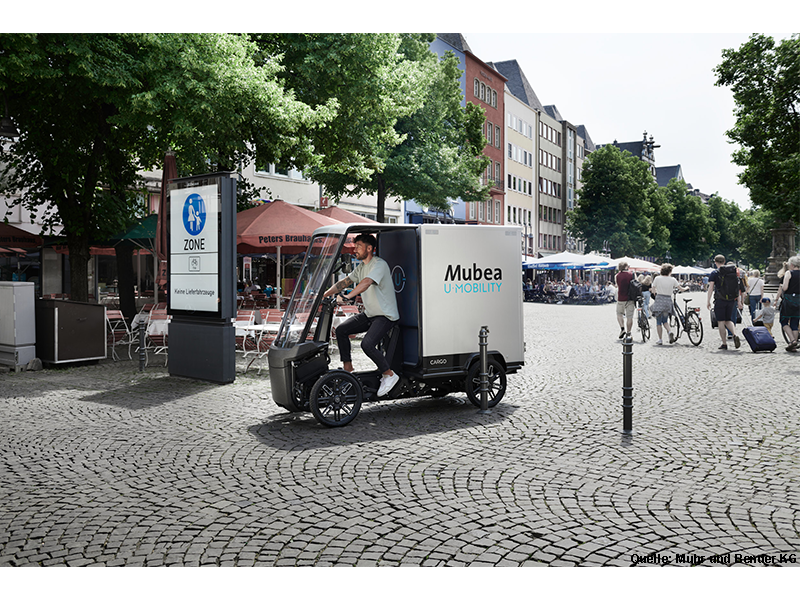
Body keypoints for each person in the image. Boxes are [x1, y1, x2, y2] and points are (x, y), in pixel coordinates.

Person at [323, 233, 400, 396]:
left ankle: (389, 375)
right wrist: (322, 295)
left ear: (369, 248)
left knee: (367, 344)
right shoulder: (361, 267)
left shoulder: (378, 264)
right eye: (355, 245)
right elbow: (344, 282)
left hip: (385, 315)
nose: (354, 249)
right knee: (341, 330)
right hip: (371, 314)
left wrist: (348, 296)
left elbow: (366, 283)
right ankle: (348, 369)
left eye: (358, 246)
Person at [706, 254, 744, 350]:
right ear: (724, 262)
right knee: (728, 320)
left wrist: (708, 301)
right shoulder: (732, 272)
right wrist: (739, 301)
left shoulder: (715, 273)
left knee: (721, 321)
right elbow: (737, 287)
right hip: (731, 299)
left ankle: (724, 343)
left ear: (715, 262)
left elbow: (711, 288)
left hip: (720, 299)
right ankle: (734, 334)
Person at [651, 263, 687, 345]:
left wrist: (656, 293)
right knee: (665, 320)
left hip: (659, 299)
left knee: (658, 322)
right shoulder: (672, 279)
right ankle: (669, 331)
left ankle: (660, 339)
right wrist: (686, 288)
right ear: (670, 271)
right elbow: (681, 289)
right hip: (667, 300)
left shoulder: (657, 278)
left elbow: (653, 290)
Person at [775, 254, 800, 352]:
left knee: (784, 321)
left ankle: (792, 341)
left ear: (792, 265)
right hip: (799, 301)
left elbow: (784, 287)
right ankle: (794, 345)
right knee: (795, 323)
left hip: (789, 301)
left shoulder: (789, 273)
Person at [615, 261, 635, 339]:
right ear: (626, 267)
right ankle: (629, 332)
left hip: (621, 298)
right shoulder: (632, 274)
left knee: (619, 314)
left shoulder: (617, 275)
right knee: (629, 316)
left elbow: (617, 285)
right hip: (630, 298)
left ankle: (622, 329)